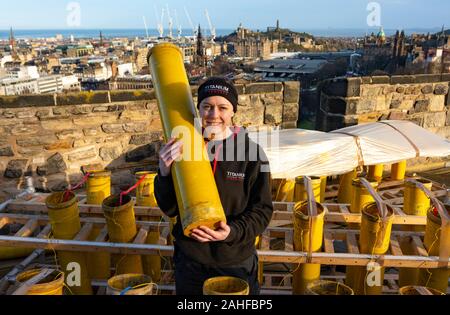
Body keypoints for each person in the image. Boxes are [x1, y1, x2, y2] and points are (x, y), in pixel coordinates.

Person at [154, 77, 273, 295]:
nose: (214, 114)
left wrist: (232, 232)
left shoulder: (253, 154)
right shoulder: (184, 146)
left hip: (235, 261)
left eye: (222, 107)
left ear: (233, 111)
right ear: (198, 109)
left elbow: (263, 211)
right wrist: (164, 172)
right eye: (207, 106)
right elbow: (169, 208)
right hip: (191, 261)